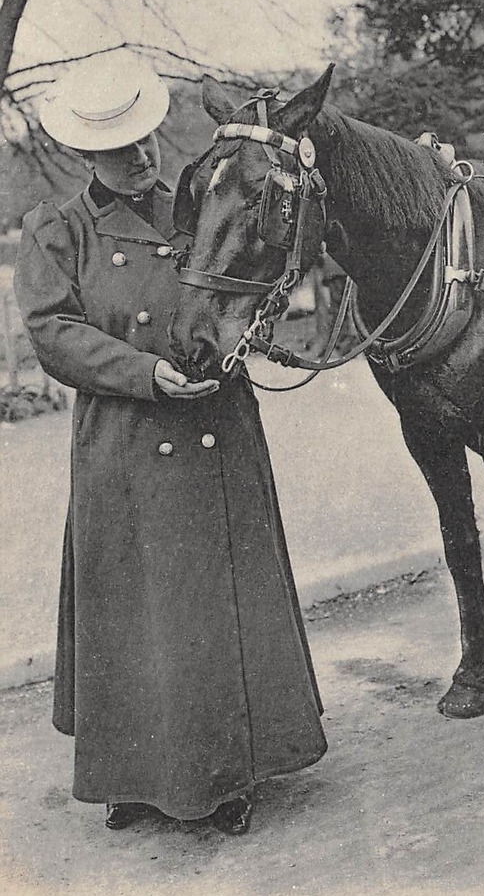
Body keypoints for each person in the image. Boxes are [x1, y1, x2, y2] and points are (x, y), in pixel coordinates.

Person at [14, 50, 327, 835]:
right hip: (125, 435)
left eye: (146, 141)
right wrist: (144, 372)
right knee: (134, 610)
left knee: (217, 606)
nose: (140, 158)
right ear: (86, 155)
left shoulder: (198, 202)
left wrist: (240, 339)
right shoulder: (60, 228)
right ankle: (132, 775)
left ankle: (229, 776)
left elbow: (252, 266)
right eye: (119, 150)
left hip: (217, 425)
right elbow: (53, 332)